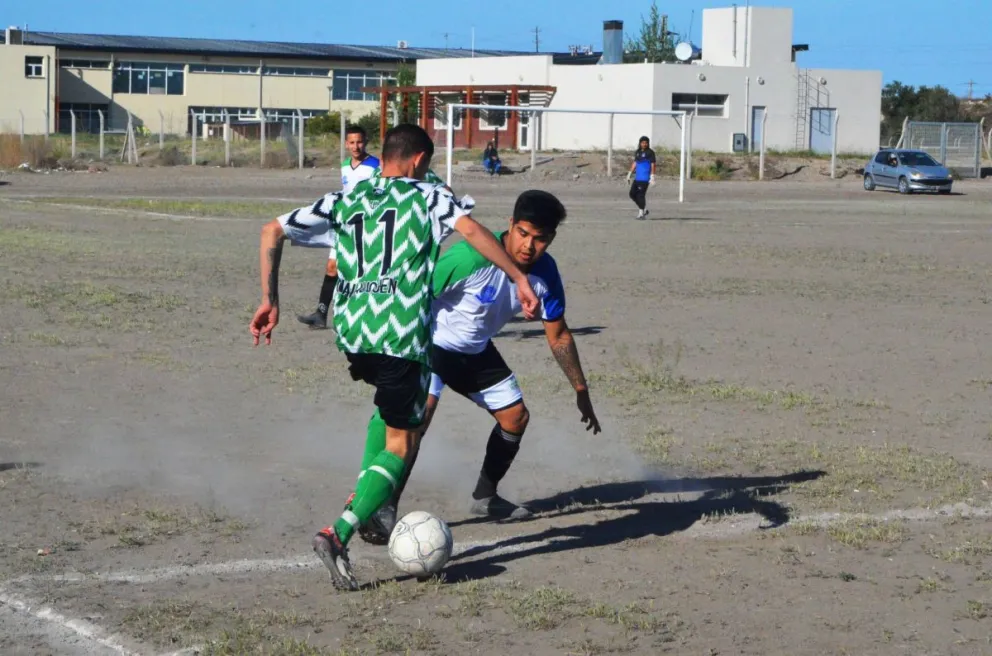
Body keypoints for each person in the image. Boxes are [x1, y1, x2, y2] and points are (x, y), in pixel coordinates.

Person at [250, 123, 539, 592]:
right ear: (421, 161)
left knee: (389, 414)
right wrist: (519, 279)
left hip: (352, 335)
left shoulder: (345, 199)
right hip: (399, 338)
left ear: (382, 155)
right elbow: (475, 233)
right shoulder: (427, 196)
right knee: (404, 442)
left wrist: (270, 299)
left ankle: (367, 494)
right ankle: (338, 532)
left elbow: (271, 231)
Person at [356, 190, 603, 544]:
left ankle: (485, 498)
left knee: (515, 418)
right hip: (430, 344)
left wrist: (581, 389)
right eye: (523, 233)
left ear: (551, 239)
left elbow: (559, 334)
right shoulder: (470, 257)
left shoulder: (546, 273)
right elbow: (411, 294)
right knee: (416, 422)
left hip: (474, 351)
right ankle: (382, 507)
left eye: (540, 239)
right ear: (510, 225)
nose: (529, 246)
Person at [297, 124, 380, 331]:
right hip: (344, 225)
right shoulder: (344, 165)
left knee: (363, 271)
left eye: (359, 142)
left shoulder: (376, 165)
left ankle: (368, 315)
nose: (356, 146)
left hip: (365, 226)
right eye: (351, 142)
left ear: (366, 142)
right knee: (332, 267)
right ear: (345, 144)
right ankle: (321, 314)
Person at [626, 136, 656, 220]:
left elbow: (653, 164)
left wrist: (652, 176)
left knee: (640, 195)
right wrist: (629, 174)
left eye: (646, 143)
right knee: (632, 194)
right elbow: (635, 163)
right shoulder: (638, 152)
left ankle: (641, 213)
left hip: (645, 178)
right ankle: (644, 209)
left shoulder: (650, 152)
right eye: (643, 142)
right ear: (640, 143)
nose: (644, 144)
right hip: (637, 177)